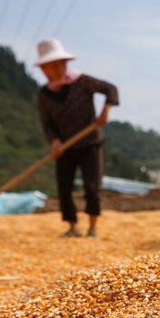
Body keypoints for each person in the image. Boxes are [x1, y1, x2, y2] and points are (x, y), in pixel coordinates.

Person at [36, 38, 119, 238]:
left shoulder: (81, 81)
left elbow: (111, 89)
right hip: (65, 147)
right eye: (52, 65)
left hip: (90, 143)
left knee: (92, 187)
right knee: (64, 189)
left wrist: (105, 111)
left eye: (61, 63)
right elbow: (47, 124)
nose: (58, 68)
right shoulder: (44, 95)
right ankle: (73, 227)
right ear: (43, 69)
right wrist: (54, 141)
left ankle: (92, 228)